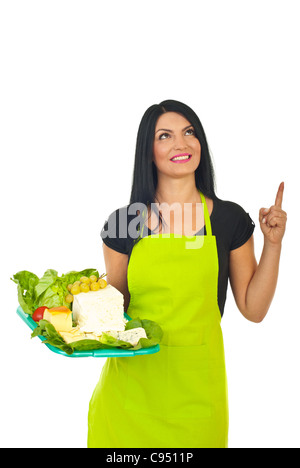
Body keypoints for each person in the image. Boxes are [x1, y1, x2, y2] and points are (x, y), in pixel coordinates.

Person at [88, 99, 287, 448]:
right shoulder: (124, 222)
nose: (181, 143)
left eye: (189, 132)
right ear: (148, 152)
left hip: (199, 399)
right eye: (165, 136)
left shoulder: (229, 219)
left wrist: (273, 244)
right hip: (129, 399)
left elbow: (253, 310)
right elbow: (113, 314)